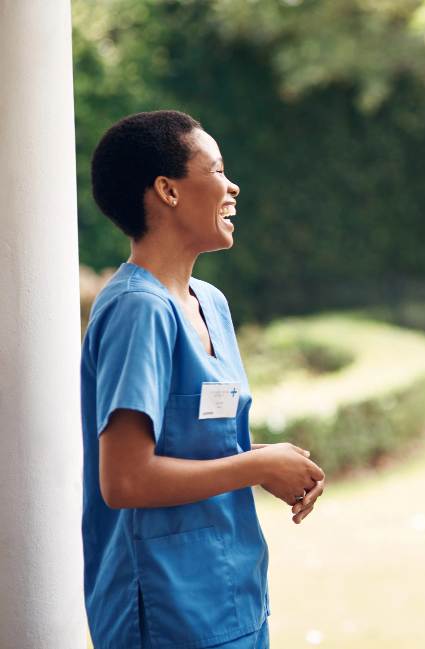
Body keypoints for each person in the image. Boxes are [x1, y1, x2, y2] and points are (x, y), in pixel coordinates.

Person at [81, 110, 325, 649]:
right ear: (167, 190)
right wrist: (258, 463)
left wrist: (271, 460)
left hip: (232, 593)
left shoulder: (210, 302)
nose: (232, 185)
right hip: (166, 610)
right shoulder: (136, 310)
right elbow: (124, 480)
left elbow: (196, 444)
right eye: (216, 170)